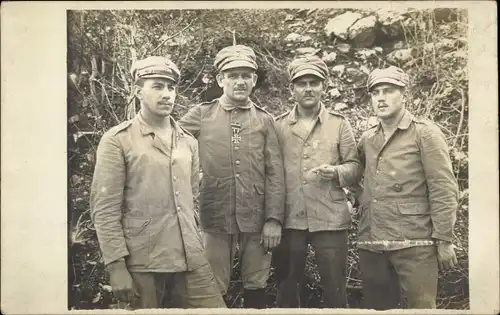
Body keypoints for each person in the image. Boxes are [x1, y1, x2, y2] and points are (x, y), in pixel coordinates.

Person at [90, 56, 226, 309]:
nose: (167, 95)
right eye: (158, 86)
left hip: (190, 256)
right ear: (138, 91)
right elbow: (104, 209)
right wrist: (116, 266)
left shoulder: (188, 141)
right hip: (142, 259)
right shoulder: (117, 140)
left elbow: (191, 197)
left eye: (171, 87)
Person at [178, 44, 285, 309]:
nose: (240, 81)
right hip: (215, 214)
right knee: (212, 288)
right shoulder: (201, 115)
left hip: (256, 217)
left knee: (256, 287)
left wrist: (273, 219)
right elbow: (171, 145)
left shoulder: (265, 120)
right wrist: (193, 176)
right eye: (233, 75)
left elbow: (275, 173)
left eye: (246, 75)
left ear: (254, 80)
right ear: (220, 79)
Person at [355, 66, 459, 309]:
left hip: (415, 244)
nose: (380, 97)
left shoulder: (425, 133)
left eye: (389, 90)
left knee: (421, 308)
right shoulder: (368, 138)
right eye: (375, 92)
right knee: (377, 309)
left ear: (404, 95)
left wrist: (443, 239)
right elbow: (356, 175)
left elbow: (443, 187)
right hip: (373, 243)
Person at [272, 55, 362, 308]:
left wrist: (336, 172)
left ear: (323, 86)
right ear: (292, 89)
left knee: (335, 289)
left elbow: (355, 167)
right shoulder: (277, 125)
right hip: (290, 217)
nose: (308, 88)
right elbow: (270, 172)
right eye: (302, 83)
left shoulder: (339, 124)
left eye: (314, 82)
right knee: (286, 289)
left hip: (330, 218)